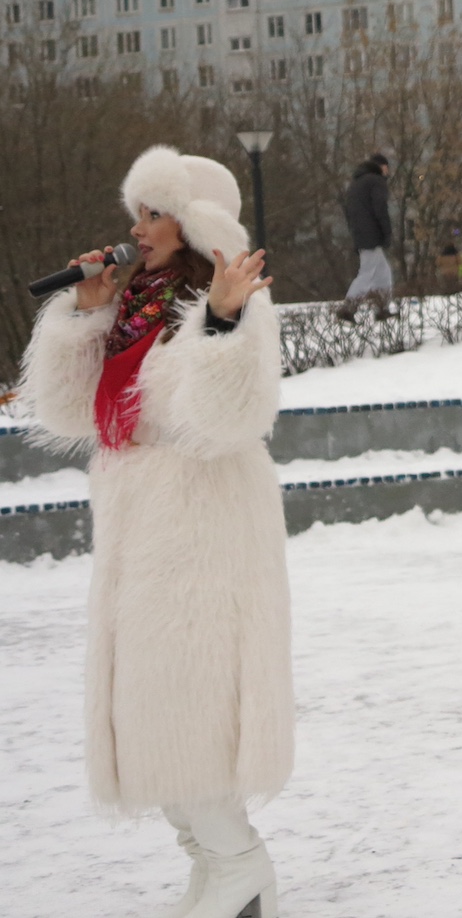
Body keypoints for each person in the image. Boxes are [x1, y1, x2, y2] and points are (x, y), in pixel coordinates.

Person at [19, 145, 290, 918]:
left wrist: (225, 322)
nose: (138, 229)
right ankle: (217, 868)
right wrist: (87, 311)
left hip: (204, 528)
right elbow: (72, 415)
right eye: (135, 213)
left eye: (154, 213)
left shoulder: (231, 298)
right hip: (141, 530)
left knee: (188, 704)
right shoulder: (133, 304)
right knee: (151, 714)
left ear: (193, 222)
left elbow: (230, 419)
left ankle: (240, 864)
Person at [339, 151, 393, 316]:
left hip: (360, 233)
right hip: (372, 234)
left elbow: (348, 212)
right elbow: (380, 208)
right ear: (381, 167)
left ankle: (382, 307)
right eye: (386, 167)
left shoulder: (356, 184)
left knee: (383, 272)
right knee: (367, 272)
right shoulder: (376, 181)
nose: (388, 171)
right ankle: (349, 307)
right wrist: (386, 232)